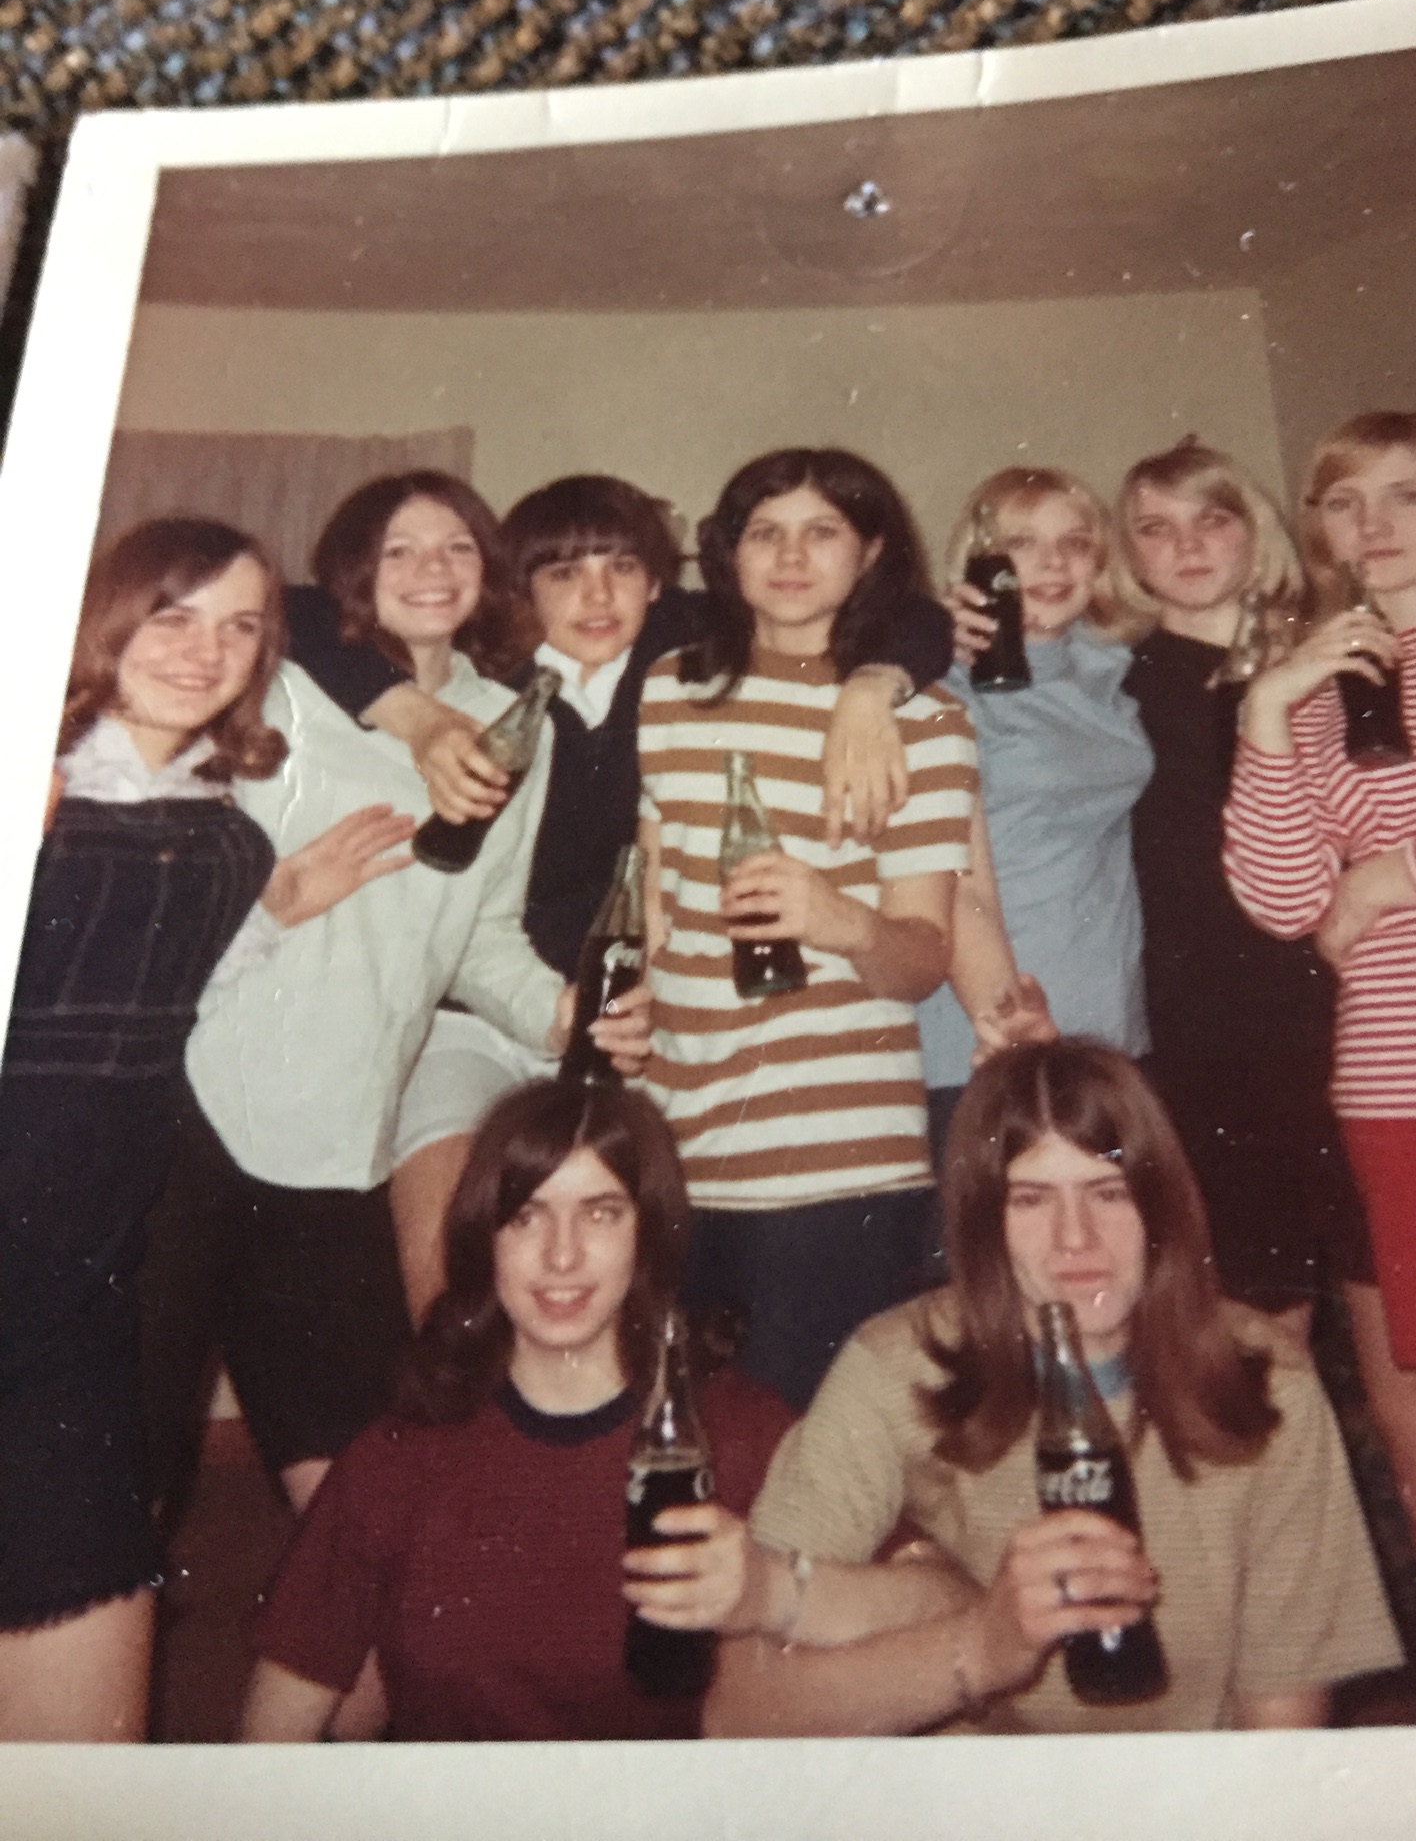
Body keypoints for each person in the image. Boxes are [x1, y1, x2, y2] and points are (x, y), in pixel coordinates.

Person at [291, 472, 953, 1316]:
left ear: (657, 582)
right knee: (452, 1269)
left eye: (623, 567)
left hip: (630, 1030)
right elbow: (299, 611)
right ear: (518, 588)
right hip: (475, 1012)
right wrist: (418, 718)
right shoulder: (487, 678)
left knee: (609, 1285)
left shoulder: (681, 663)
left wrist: (872, 687)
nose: (598, 596)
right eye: (564, 573)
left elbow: (913, 615)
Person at [140, 472, 648, 1536]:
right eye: (400, 549)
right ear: (354, 569)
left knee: (358, 1500)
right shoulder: (284, 687)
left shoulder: (517, 725)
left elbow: (483, 935)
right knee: (125, 1474)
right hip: (196, 1114)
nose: (431, 570)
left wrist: (563, 1017)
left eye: (457, 547)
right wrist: (404, 727)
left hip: (344, 1142)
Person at [0, 518, 409, 1741]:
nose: (205, 650)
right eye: (173, 614)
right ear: (105, 617)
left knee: (86, 1745)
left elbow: (174, 998)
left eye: (240, 627)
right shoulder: (32, 780)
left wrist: (277, 907)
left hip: (78, 1306)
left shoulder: (230, 834)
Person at [705, 1040, 1402, 1737]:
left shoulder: (1265, 1382)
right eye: (1032, 1199)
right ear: (985, 1224)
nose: (1076, 1238)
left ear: (1161, 1207)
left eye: (1108, 1192)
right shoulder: (897, 1368)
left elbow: (1281, 1734)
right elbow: (736, 1714)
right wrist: (980, 1647)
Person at [1223, 410, 1416, 1723]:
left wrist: (1399, 873)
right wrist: (1266, 710)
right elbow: (1283, 894)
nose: (1376, 524)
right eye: (1346, 502)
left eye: (1406, 494)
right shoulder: (1313, 683)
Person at [239, 1080, 793, 1742]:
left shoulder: (739, 1434)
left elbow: (901, 1612)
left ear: (648, 1233)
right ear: (486, 1238)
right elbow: (265, 1747)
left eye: (600, 1214)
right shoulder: (399, 1460)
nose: (562, 1255)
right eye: (527, 1216)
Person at [638, 447, 978, 1411]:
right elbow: (655, 899)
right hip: (671, 1145)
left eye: (821, 532)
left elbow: (921, 961)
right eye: (765, 533)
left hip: (835, 1157)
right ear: (729, 553)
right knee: (687, 1440)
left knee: (815, 1453)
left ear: (870, 554)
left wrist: (840, 920)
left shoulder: (926, 722)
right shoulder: (667, 688)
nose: (790, 557)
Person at [1112, 435, 1374, 1342]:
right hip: (1204, 1029)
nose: (1187, 545)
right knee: (1259, 1315)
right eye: (1156, 528)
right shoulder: (1115, 687)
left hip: (1352, 1005)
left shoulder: (1335, 667)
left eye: (1212, 519)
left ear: (1254, 530)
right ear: (1129, 555)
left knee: (1389, 1289)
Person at [927, 466, 1150, 1164]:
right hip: (987, 1020)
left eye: (1075, 543)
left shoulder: (1106, 668)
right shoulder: (939, 682)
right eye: (1022, 544)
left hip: (1103, 1009)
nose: (1054, 564)